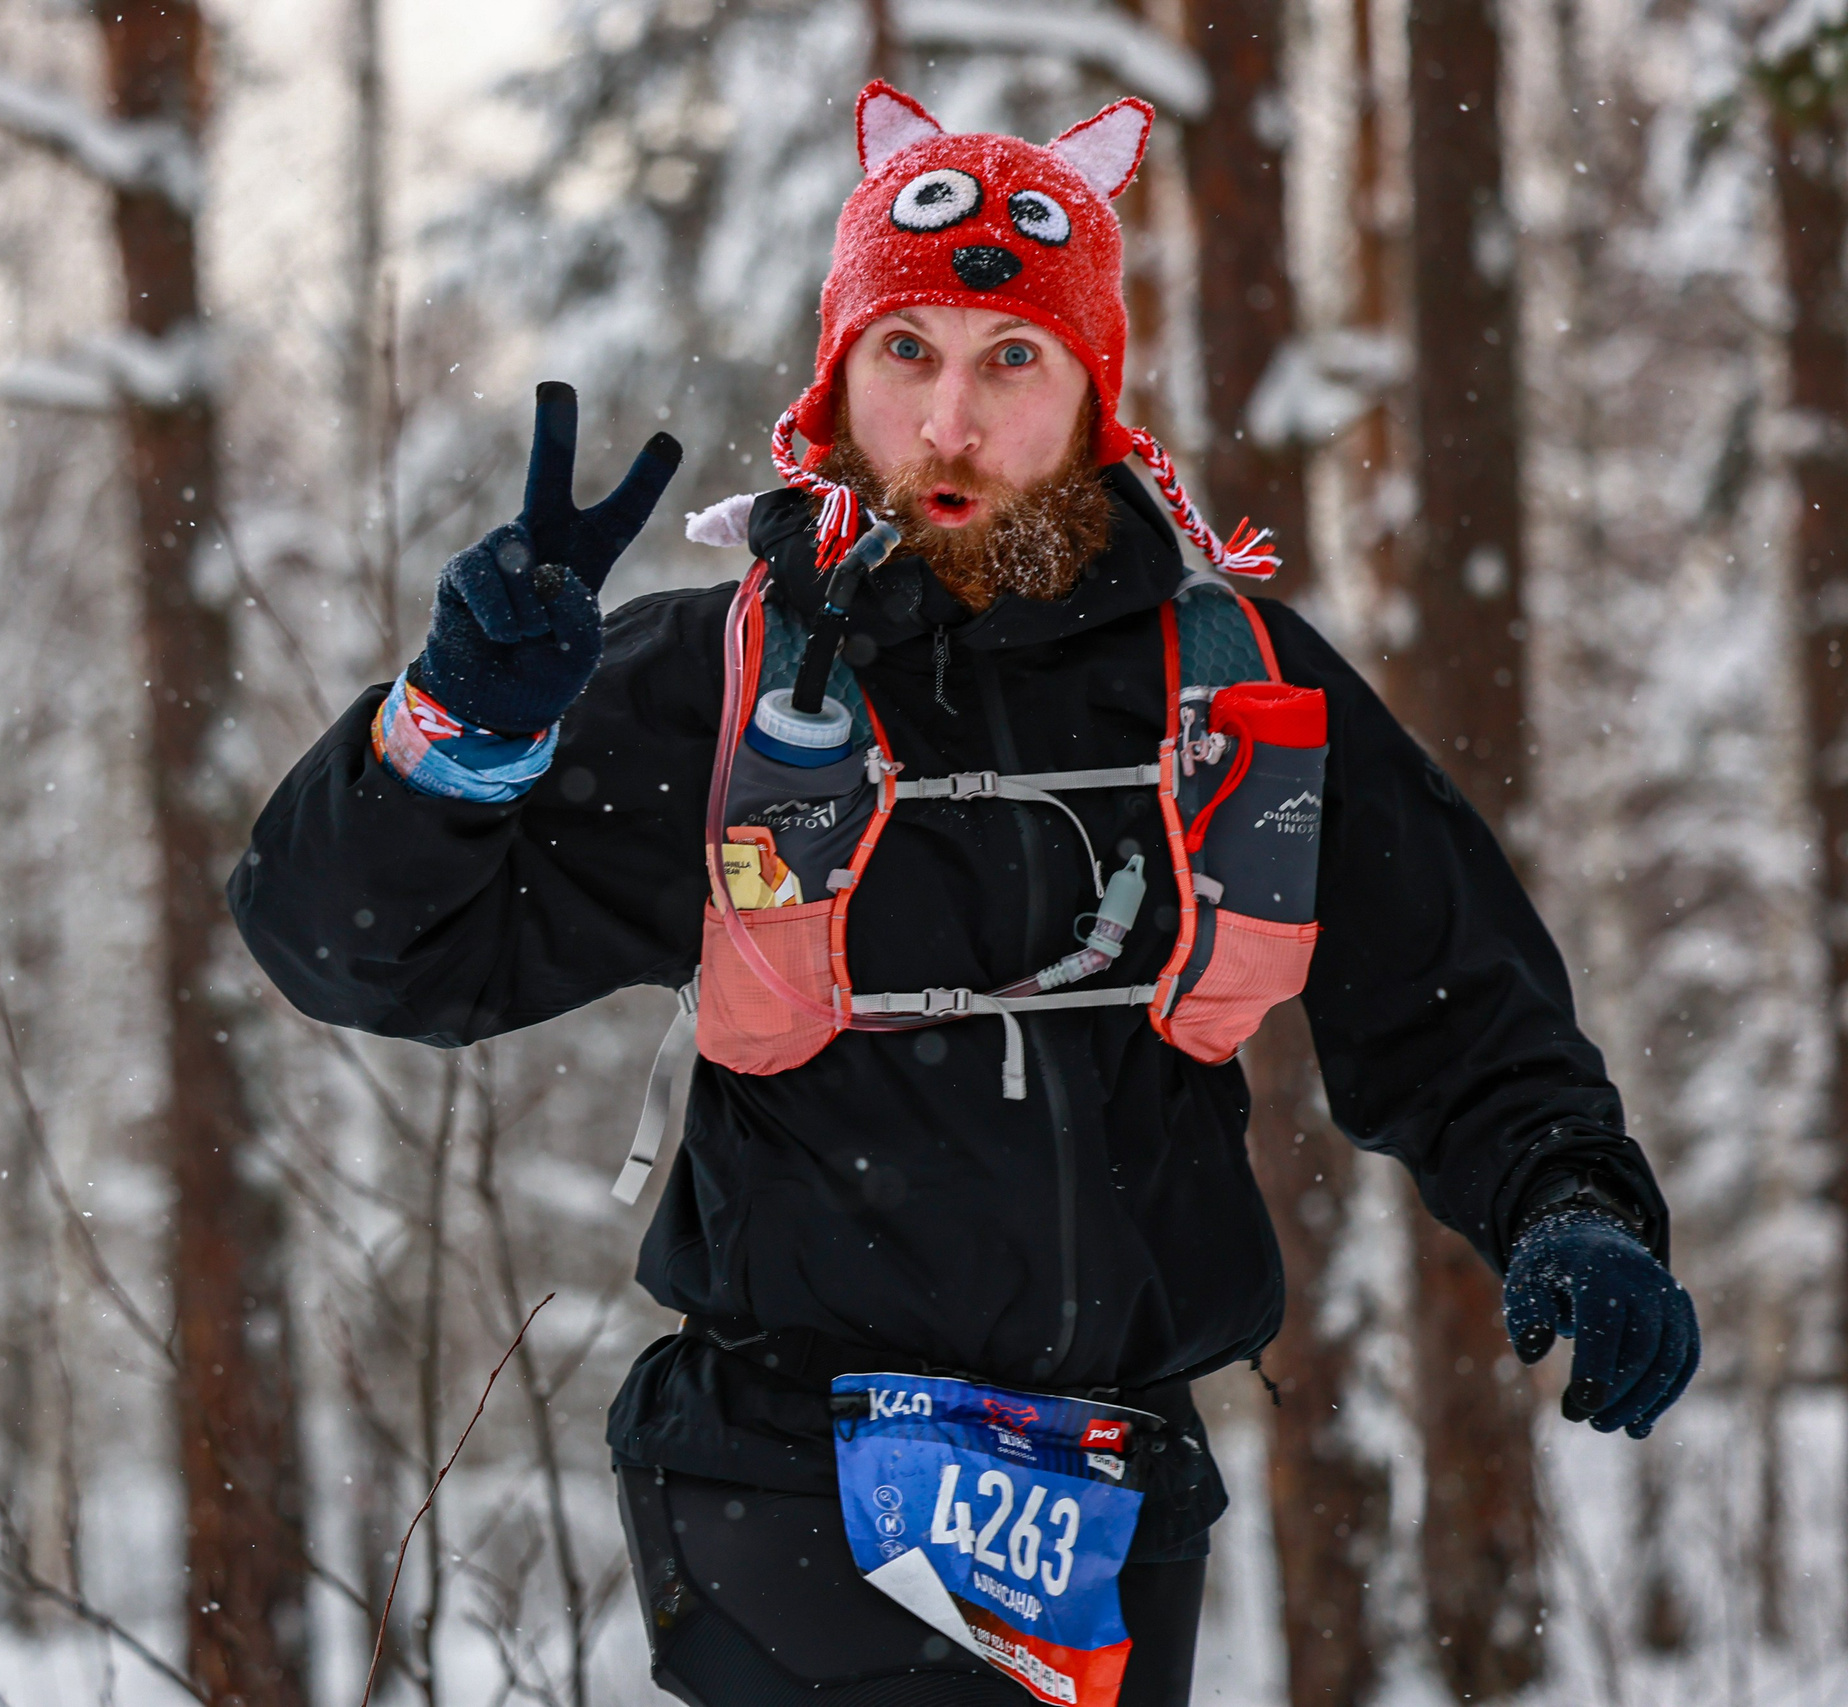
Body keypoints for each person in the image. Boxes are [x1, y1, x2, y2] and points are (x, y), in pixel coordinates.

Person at [232, 82, 1697, 1706]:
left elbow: (1456, 1003)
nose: (952, 421)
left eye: (1013, 360)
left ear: (1092, 394)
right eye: (907, 354)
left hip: (1112, 1497)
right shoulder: (714, 687)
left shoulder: (1238, 687)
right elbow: (359, 951)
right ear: (838, 383)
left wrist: (1572, 1201)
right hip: (790, 1485)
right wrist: (457, 728)